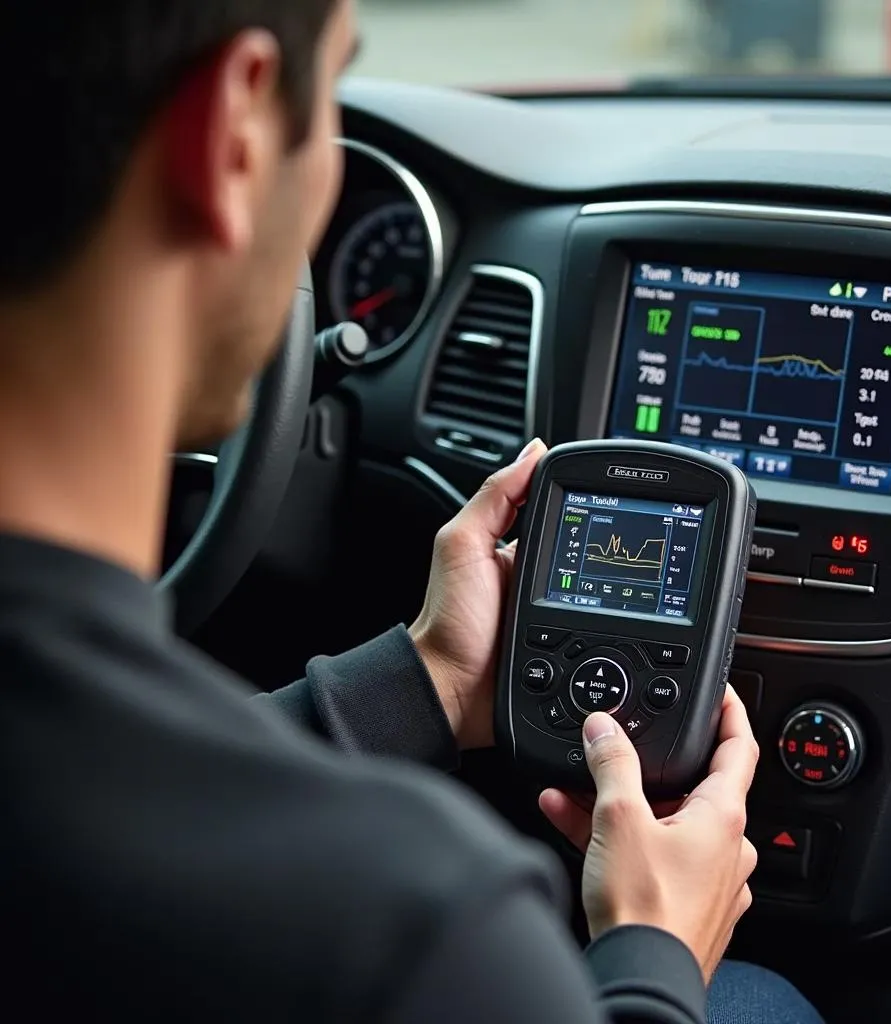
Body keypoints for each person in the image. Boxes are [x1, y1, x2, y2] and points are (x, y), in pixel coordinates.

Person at [0, 2, 825, 1022]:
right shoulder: (421, 928)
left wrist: (431, 676)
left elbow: (110, 791)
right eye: (333, 97)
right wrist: (655, 950)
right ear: (233, 134)